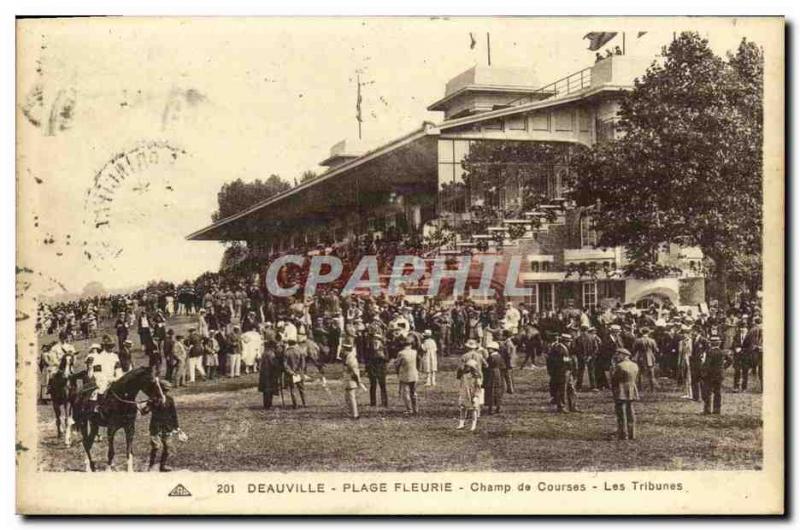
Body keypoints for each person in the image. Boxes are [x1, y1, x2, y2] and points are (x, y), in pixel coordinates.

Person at [141, 380, 179, 472]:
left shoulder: (169, 399)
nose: (165, 392)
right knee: (156, 446)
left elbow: (173, 413)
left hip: (167, 426)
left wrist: (176, 426)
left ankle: (163, 466)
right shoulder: (153, 400)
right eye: (164, 390)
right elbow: (144, 412)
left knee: (167, 446)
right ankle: (151, 466)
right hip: (156, 426)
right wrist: (145, 407)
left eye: (167, 390)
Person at [611, 348, 639, 440]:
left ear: (623, 355)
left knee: (621, 413)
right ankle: (632, 433)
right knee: (630, 412)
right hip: (631, 389)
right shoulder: (635, 365)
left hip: (621, 390)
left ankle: (623, 433)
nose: (617, 356)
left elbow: (615, 379)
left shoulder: (620, 366)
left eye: (619, 355)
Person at [700, 334, 732, 414]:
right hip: (719, 375)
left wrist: (703, 372)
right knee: (717, 392)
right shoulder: (722, 352)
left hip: (710, 375)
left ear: (710, 343)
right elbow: (730, 360)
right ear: (719, 343)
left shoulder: (709, 352)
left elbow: (707, 364)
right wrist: (723, 367)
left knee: (707, 392)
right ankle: (717, 409)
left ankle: (707, 410)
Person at [552, 334, 579, 413]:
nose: (569, 343)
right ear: (564, 341)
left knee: (571, 388)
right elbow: (562, 360)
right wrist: (571, 360)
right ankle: (561, 406)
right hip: (562, 371)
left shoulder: (564, 348)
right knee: (562, 389)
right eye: (568, 341)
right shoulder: (559, 348)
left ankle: (573, 405)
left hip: (567, 371)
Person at [394, 335, 420, 415]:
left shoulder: (401, 353)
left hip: (405, 375)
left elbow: (397, 364)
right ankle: (416, 409)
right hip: (414, 374)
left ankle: (409, 409)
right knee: (414, 392)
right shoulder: (415, 352)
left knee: (406, 393)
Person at [342, 339, 367, 419]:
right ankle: (352, 413)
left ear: (346, 350)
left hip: (351, 380)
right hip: (349, 379)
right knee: (348, 397)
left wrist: (358, 381)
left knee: (351, 397)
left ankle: (355, 414)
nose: (342, 351)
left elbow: (354, 371)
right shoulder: (348, 357)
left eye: (343, 349)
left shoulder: (350, 358)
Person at [456, 358, 482, 432]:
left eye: (468, 367)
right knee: (462, 408)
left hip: (472, 394)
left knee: (473, 409)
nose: (466, 368)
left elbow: (478, 387)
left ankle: (473, 425)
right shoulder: (463, 375)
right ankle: (461, 423)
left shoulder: (476, 377)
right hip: (464, 393)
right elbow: (458, 375)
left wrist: (476, 396)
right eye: (466, 366)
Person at [283, 335, 307, 408]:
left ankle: (295, 404)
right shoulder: (300, 351)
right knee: (302, 389)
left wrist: (290, 371)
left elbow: (285, 364)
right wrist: (301, 370)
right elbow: (303, 363)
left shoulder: (286, 352)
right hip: (299, 372)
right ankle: (304, 403)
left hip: (291, 373)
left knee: (293, 389)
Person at [632, 327, 658, 392]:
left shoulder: (638, 340)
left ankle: (640, 388)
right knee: (651, 373)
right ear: (648, 332)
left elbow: (634, 349)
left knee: (639, 373)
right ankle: (652, 388)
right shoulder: (652, 340)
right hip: (650, 357)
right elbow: (655, 349)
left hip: (640, 357)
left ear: (641, 332)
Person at [366, 334, 388, 407]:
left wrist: (382, 357)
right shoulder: (369, 349)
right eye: (374, 339)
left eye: (377, 339)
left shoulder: (384, 348)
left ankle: (385, 402)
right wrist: (367, 369)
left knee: (383, 386)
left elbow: (387, 358)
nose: (375, 341)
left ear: (380, 341)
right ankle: (373, 402)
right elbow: (366, 360)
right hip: (372, 369)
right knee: (373, 386)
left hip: (381, 369)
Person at [258, 339, 281, 410]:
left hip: (264, 374)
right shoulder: (271, 354)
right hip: (270, 374)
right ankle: (268, 404)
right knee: (269, 390)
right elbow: (273, 364)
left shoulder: (264, 353)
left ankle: (266, 404)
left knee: (266, 391)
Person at [484, 341, 506, 415]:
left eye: (489, 348)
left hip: (491, 374)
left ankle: (491, 408)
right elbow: (503, 366)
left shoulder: (491, 357)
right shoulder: (499, 356)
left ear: (493, 349)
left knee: (491, 390)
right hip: (498, 374)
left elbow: (486, 366)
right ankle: (498, 407)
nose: (488, 350)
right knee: (498, 390)